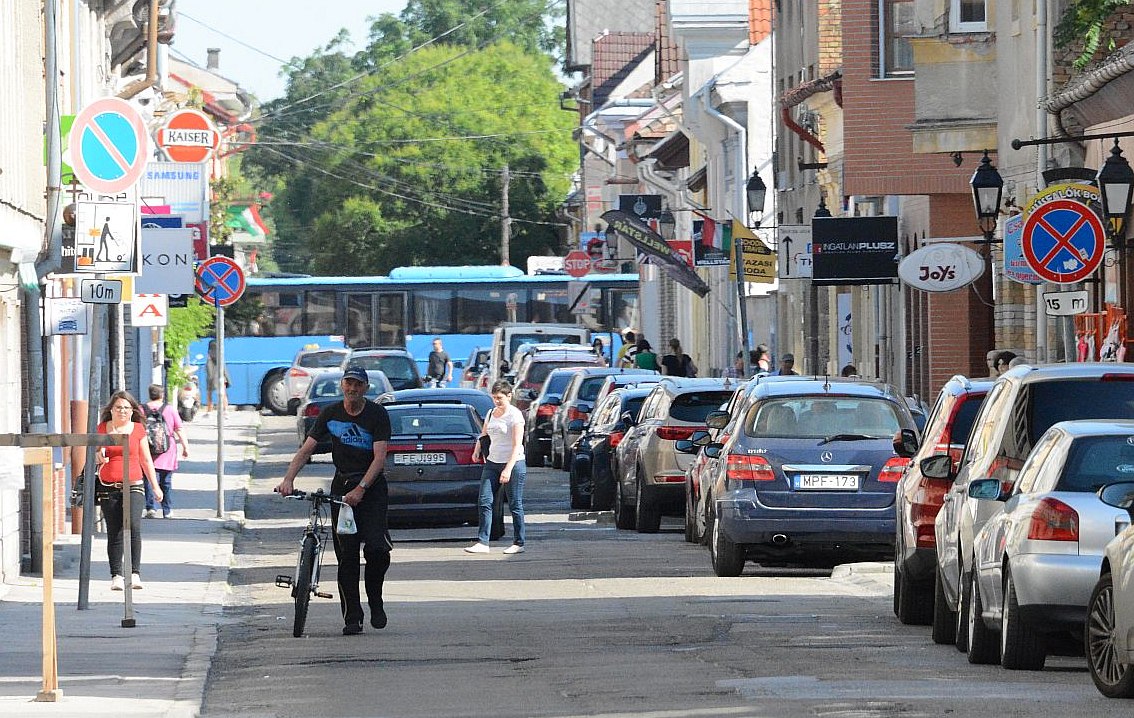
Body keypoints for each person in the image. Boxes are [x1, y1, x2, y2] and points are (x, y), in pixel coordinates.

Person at [276, 365, 393, 636]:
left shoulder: (377, 414)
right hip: (343, 487)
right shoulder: (331, 413)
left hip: (372, 489)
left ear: (365, 388)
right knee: (347, 556)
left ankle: (375, 599)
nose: (352, 389)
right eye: (348, 383)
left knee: (377, 550)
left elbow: (379, 458)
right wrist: (288, 479)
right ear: (342, 385)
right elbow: (306, 450)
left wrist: (362, 489)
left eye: (358, 384)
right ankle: (353, 617)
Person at [95, 390, 164, 591]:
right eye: (118, 407)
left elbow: (146, 459)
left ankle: (134, 573)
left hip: (134, 484)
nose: (122, 411)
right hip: (109, 486)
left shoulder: (138, 429)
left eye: (126, 408)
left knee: (133, 525)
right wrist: (99, 455)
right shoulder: (103, 429)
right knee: (114, 530)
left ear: (132, 411)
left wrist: (155, 486)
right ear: (111, 410)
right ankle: (116, 575)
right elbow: (95, 454)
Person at [467, 380, 527, 554]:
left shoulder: (515, 416)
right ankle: (483, 542)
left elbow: (517, 445)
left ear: (509, 396)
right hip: (492, 463)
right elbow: (484, 434)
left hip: (513, 464)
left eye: (500, 398)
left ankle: (519, 542)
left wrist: (508, 469)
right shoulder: (491, 413)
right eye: (494, 398)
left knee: (515, 504)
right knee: (485, 501)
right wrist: (477, 450)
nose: (497, 401)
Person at [143, 384, 189, 519]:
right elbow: (179, 428)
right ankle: (167, 510)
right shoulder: (169, 409)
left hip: (147, 449)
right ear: (162, 395)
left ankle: (151, 508)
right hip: (167, 450)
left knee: (149, 480)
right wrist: (185, 447)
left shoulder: (141, 409)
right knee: (166, 481)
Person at [204, 340, 230, 414]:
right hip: (222, 378)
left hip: (212, 379)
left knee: (209, 394)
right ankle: (225, 410)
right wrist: (227, 379)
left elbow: (209, 370)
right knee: (223, 394)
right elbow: (224, 369)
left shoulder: (209, 358)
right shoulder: (220, 357)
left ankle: (209, 410)